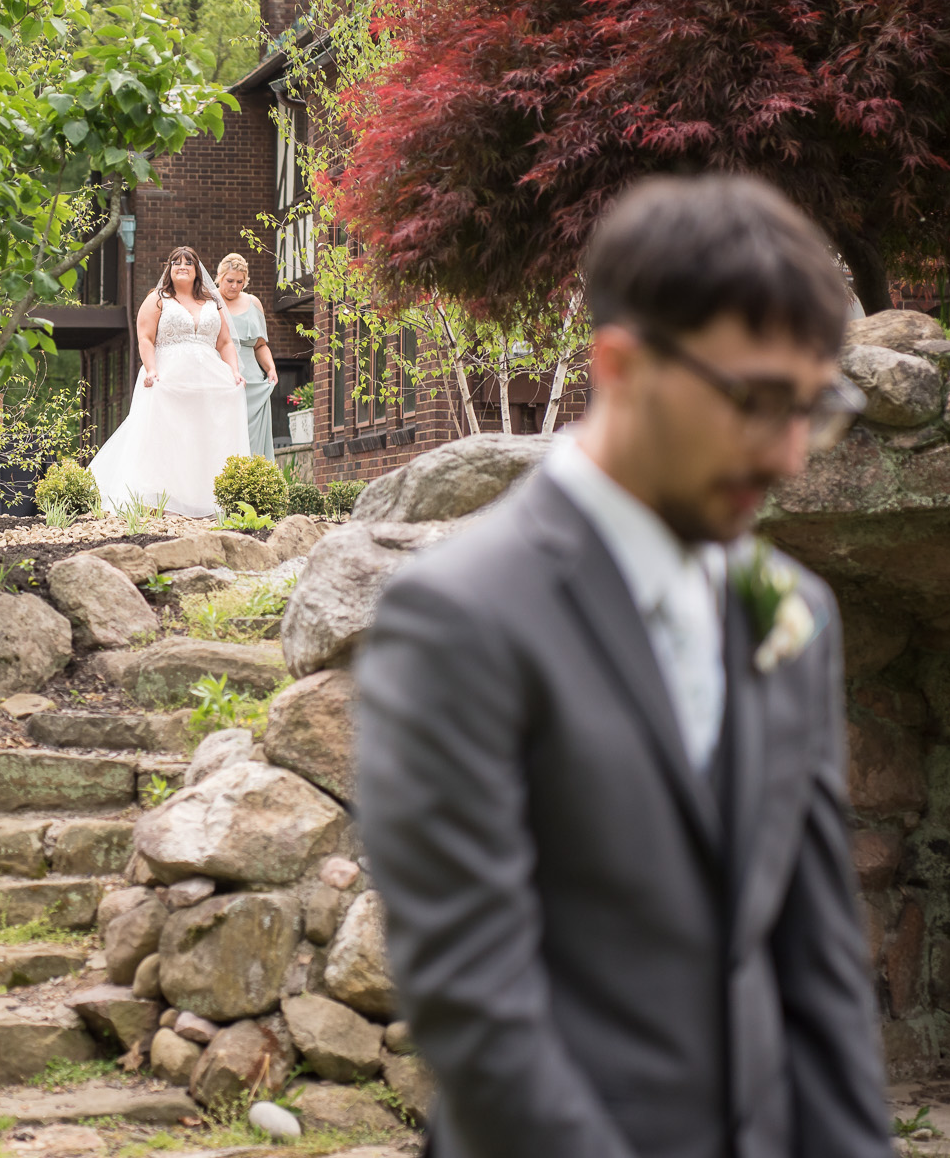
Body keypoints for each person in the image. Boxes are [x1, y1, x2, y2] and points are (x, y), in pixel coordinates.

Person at [354, 175, 885, 1158]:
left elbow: (820, 973)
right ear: (620, 365)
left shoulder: (794, 612)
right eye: (755, 400)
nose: (788, 454)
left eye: (813, 408)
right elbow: (476, 1006)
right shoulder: (458, 616)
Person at [87, 246, 249, 519]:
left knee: (204, 436)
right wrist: (151, 370)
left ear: (198, 270)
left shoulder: (212, 302)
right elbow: (145, 338)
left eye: (188, 262)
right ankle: (161, 500)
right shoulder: (157, 299)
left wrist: (234, 371)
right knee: (169, 437)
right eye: (176, 262)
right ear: (169, 269)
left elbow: (224, 342)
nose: (182, 265)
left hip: (209, 381)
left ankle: (207, 500)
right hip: (169, 378)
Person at [216, 252, 278, 459]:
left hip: (252, 379)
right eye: (230, 281)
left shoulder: (254, 303)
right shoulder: (208, 301)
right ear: (219, 277)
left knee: (252, 438)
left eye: (239, 282)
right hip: (220, 375)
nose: (234, 286)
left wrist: (271, 368)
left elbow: (260, 345)